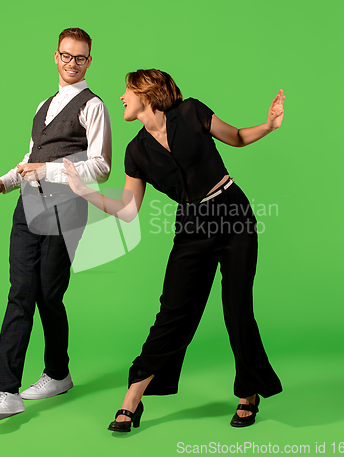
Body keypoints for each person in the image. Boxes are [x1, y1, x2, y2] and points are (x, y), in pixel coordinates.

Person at [62, 69, 283, 431]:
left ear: (147, 95)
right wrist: (84, 191)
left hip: (232, 213)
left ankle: (248, 392)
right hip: (192, 226)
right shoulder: (136, 151)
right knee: (173, 313)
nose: (122, 98)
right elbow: (128, 210)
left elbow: (239, 138)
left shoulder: (193, 112)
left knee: (237, 307)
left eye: (128, 91)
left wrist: (269, 125)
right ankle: (132, 399)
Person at [0, 27, 111, 423]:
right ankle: (6, 390)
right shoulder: (43, 105)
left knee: (48, 296)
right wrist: (4, 183)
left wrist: (49, 170)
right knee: (21, 291)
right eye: (66, 56)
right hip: (27, 208)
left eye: (80, 58)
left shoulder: (93, 106)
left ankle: (57, 374)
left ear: (89, 61)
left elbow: (101, 166)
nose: (72, 63)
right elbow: (29, 156)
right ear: (55, 56)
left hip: (65, 211)